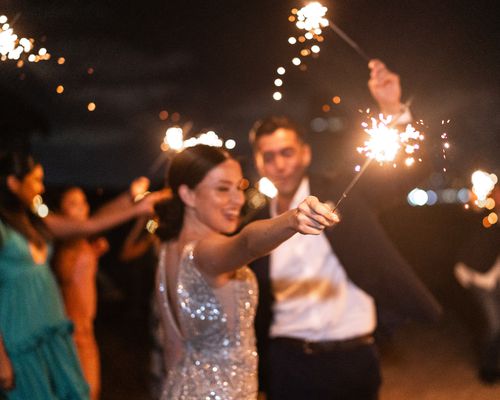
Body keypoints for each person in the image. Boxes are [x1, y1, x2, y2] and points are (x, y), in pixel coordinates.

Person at [247, 59, 442, 399]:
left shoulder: (343, 193)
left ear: (305, 154)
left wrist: (391, 107)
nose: (279, 164)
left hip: (353, 358)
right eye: (269, 156)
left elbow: (414, 170)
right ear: (259, 163)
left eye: (287, 152)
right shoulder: (257, 224)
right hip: (288, 362)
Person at [153, 144, 338, 399]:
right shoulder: (204, 252)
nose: (237, 199)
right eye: (222, 189)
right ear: (188, 195)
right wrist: (292, 219)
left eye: (238, 187)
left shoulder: (168, 250)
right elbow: (246, 243)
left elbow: (173, 348)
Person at [0, 151, 167, 399]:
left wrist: (130, 197)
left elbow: (89, 224)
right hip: (20, 334)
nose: (41, 187)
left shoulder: (36, 224)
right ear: (13, 183)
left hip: (54, 328)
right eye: (35, 179)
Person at [52, 187, 109, 400]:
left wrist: (93, 251)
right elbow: (64, 275)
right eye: (73, 203)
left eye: (83, 202)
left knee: (91, 390)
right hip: (73, 329)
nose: (82, 207)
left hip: (87, 325)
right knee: (85, 391)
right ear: (61, 212)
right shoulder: (67, 244)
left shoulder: (82, 241)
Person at [454, 186, 500, 384]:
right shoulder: (487, 220)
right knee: (494, 324)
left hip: (495, 280)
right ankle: (488, 369)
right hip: (483, 281)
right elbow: (470, 250)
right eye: (498, 194)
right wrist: (465, 273)